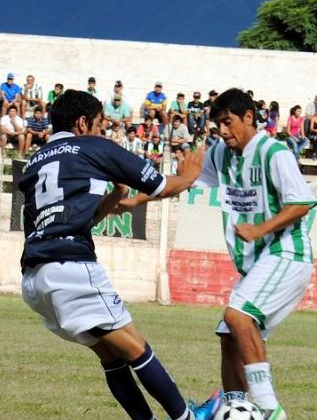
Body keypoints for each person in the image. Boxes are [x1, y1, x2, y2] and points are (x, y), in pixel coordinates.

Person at [122, 88, 315, 420]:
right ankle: (238, 407)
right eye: (218, 126)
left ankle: (269, 410)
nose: (223, 132)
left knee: (237, 317)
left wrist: (260, 229)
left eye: (228, 123)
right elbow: (184, 181)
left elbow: (301, 203)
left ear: (249, 118)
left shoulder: (274, 152)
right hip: (258, 264)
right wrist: (135, 200)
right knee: (229, 336)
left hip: (287, 253)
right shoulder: (221, 155)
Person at [19, 89, 203, 420]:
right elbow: (160, 185)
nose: (102, 131)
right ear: (82, 122)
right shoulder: (92, 146)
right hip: (71, 268)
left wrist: (114, 196)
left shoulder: (37, 159)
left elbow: (63, 219)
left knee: (111, 355)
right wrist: (189, 176)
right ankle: (186, 418)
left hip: (35, 279)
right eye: (100, 124)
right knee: (136, 347)